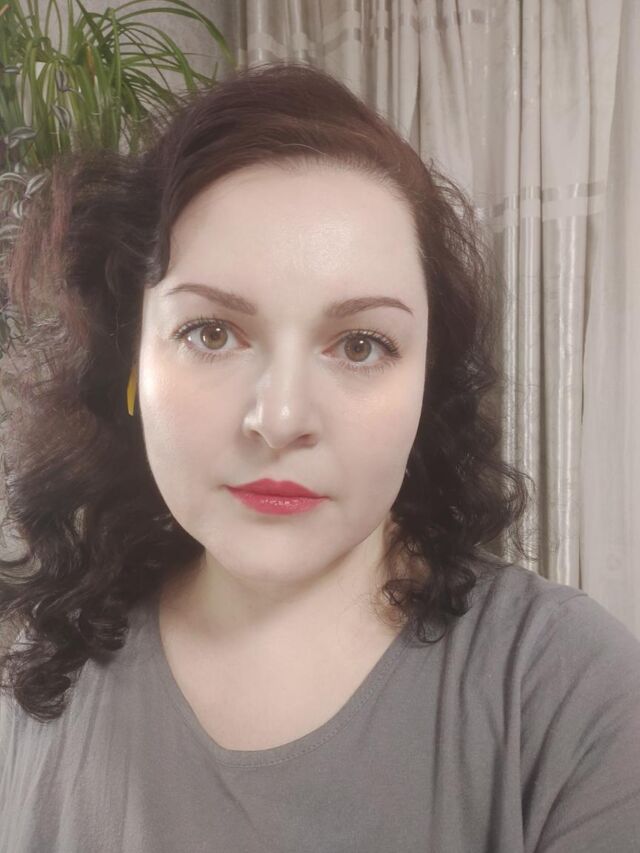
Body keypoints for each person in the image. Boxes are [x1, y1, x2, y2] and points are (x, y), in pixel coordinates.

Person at [1, 60, 639, 853]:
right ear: (130, 362)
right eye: (211, 332)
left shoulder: (568, 693)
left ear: (428, 383)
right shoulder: (39, 679)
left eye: (361, 344)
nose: (281, 419)